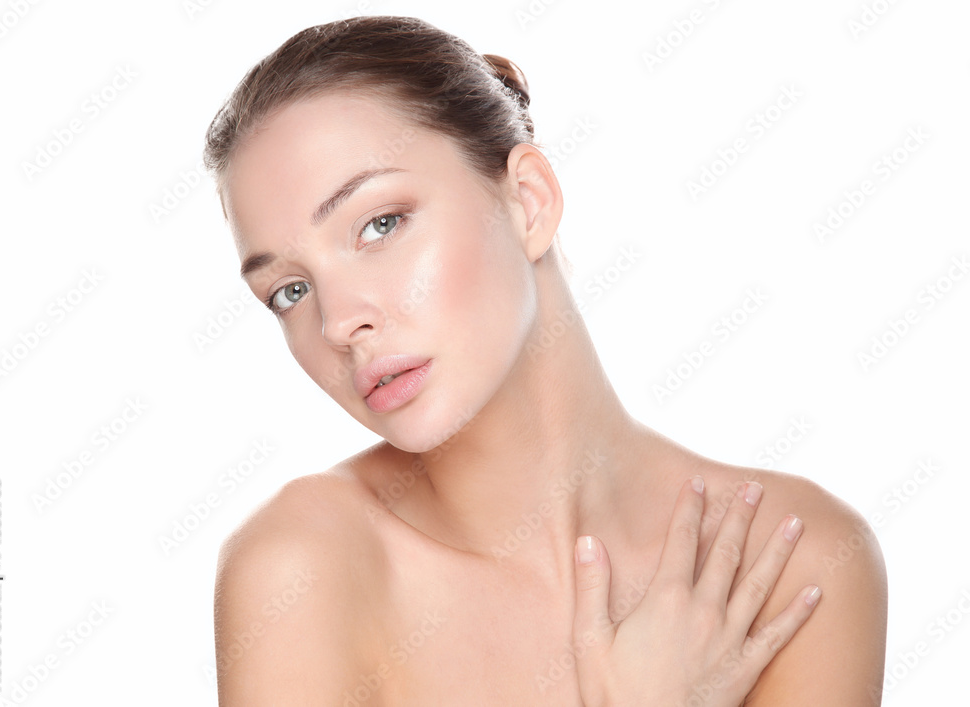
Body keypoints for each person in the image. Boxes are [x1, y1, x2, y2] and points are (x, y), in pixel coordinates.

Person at [204, 15, 887, 706]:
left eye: (380, 224)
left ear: (529, 202)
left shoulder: (790, 559)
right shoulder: (305, 568)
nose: (339, 320)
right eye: (289, 290)